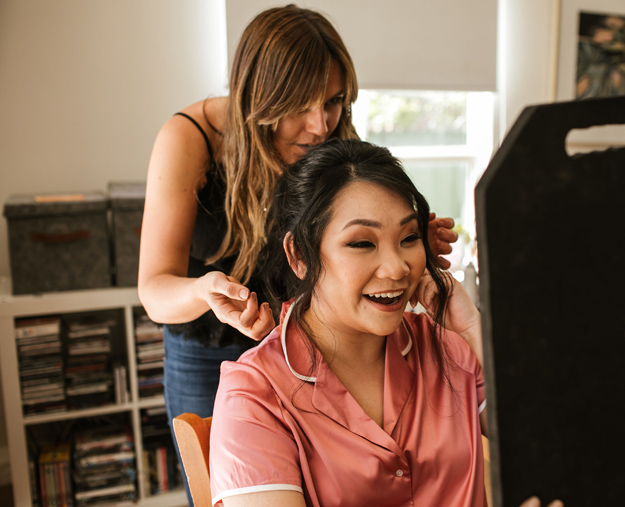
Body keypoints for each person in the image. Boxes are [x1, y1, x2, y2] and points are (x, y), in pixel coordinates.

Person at [137, 5, 457, 505]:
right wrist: (205, 288)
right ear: (258, 95)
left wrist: (405, 243)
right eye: (298, 106)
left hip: (306, 348)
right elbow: (155, 292)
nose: (319, 126)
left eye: (332, 102)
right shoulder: (191, 139)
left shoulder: (333, 136)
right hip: (208, 350)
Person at [209, 139, 561, 507]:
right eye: (362, 243)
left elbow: (551, 453)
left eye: (409, 238)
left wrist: (473, 329)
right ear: (299, 255)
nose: (397, 268)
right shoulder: (254, 395)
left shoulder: (450, 346)